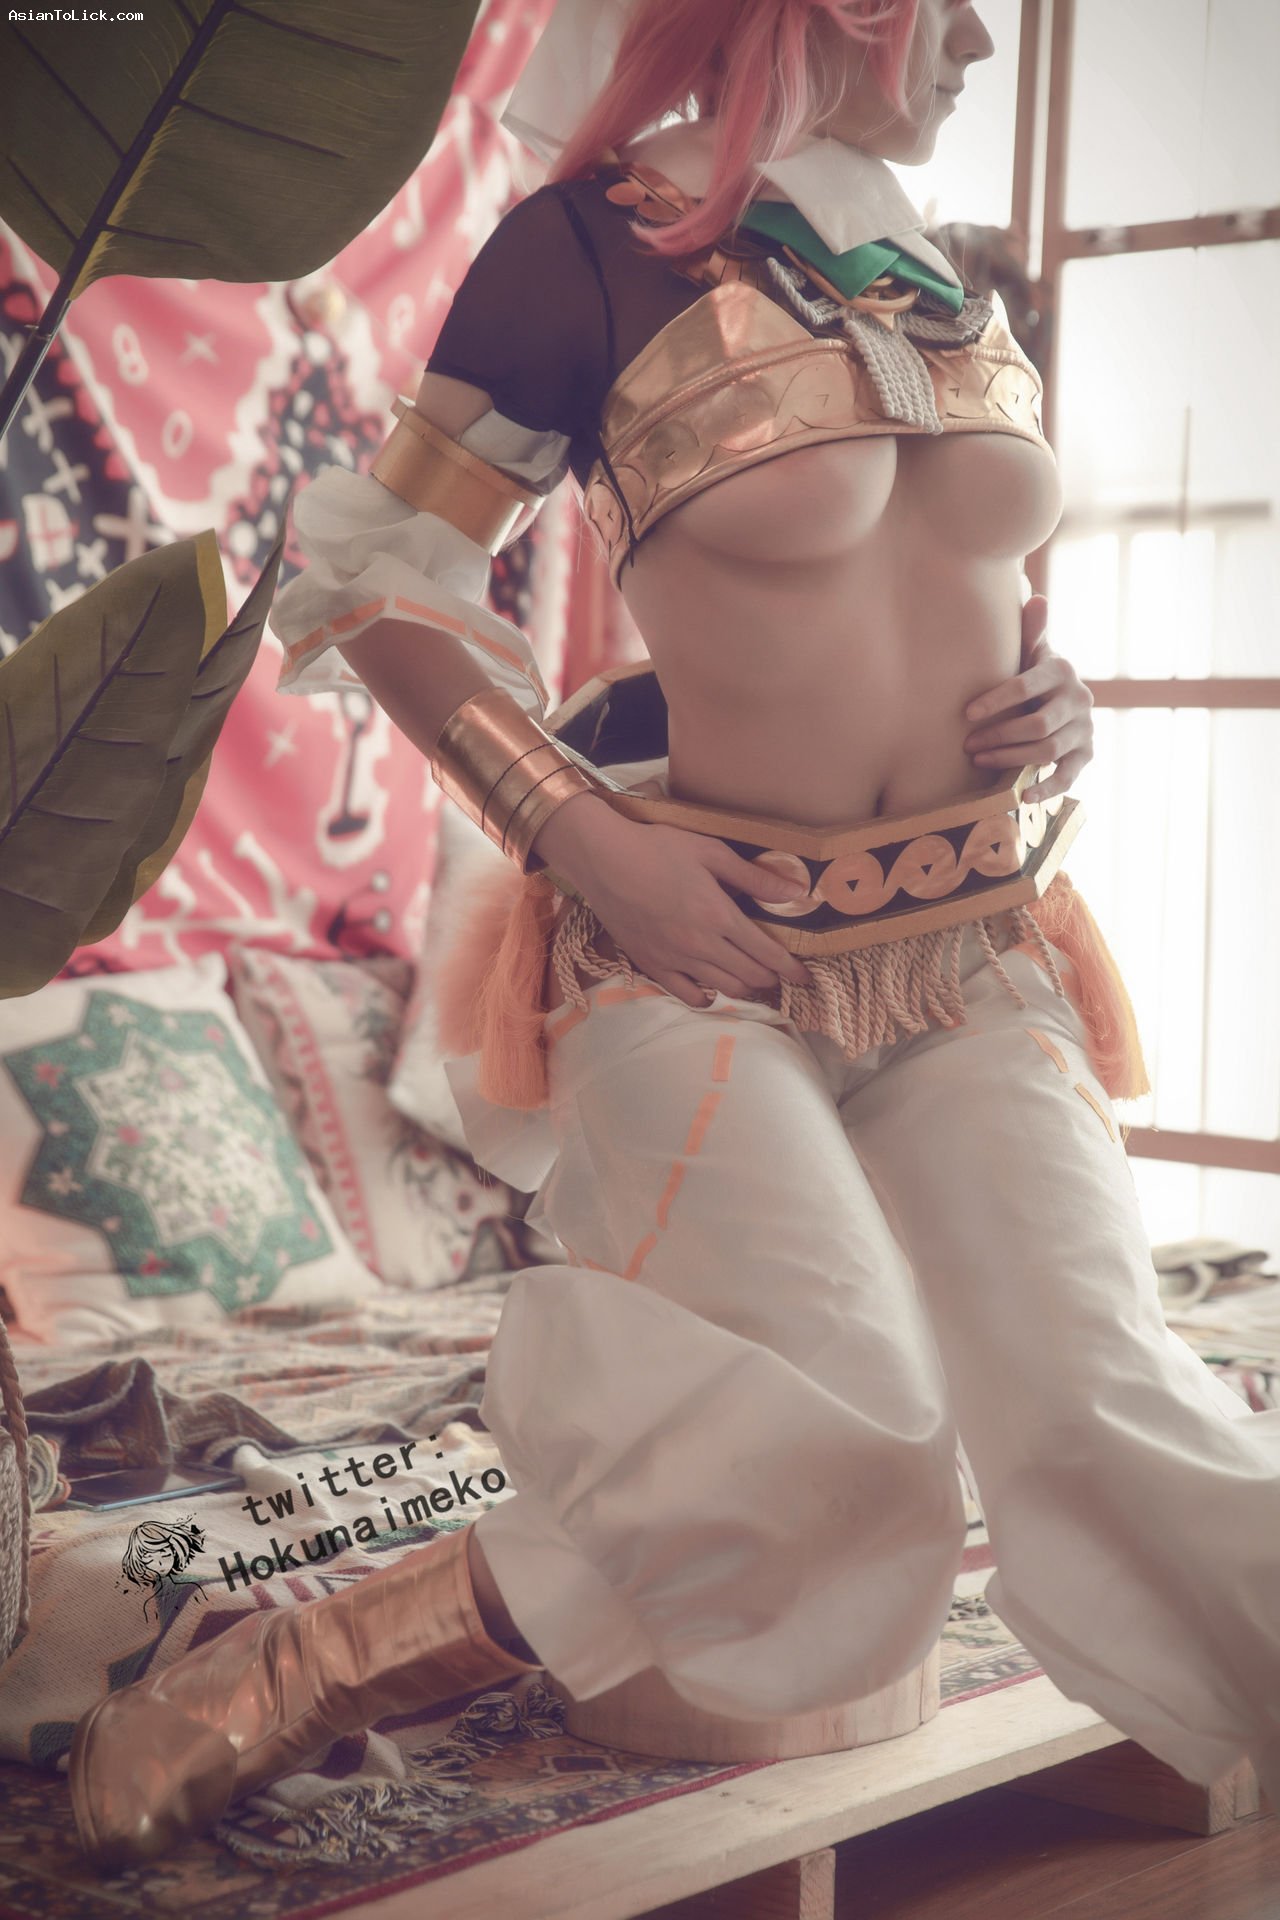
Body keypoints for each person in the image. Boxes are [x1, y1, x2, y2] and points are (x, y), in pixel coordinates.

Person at [68, 0, 1280, 1871]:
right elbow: (375, 580)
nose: (976, 38)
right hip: (691, 954)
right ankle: (300, 1663)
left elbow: (955, 590)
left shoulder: (939, 278)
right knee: (847, 1422)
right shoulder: (585, 257)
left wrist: (1062, 695)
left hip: (973, 952)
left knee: (1117, 1404)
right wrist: (582, 839)